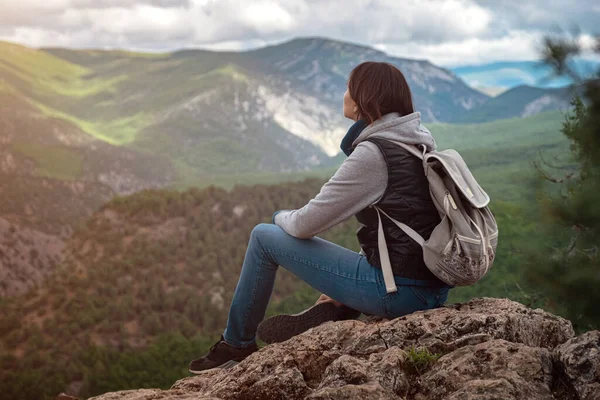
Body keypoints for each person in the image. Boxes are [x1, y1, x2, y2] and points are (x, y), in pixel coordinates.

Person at [188, 61, 452, 374]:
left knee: (263, 235)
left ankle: (236, 344)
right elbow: (399, 227)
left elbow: (303, 225)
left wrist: (279, 216)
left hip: (399, 292)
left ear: (362, 99)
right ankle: (338, 304)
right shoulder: (415, 141)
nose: (343, 95)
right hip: (432, 286)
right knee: (357, 255)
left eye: (348, 88)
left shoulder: (375, 153)